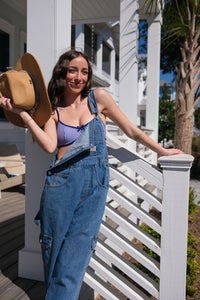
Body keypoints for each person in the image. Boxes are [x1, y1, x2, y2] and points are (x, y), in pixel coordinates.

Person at [0, 49, 183, 300]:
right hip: (60, 184)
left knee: (76, 255)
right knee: (52, 249)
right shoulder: (53, 110)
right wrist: (23, 115)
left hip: (95, 186)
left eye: (84, 71)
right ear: (62, 73)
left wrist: (162, 151)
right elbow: (50, 147)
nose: (79, 77)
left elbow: (131, 130)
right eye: (73, 70)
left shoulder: (99, 98)